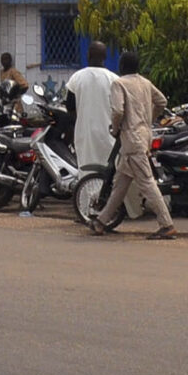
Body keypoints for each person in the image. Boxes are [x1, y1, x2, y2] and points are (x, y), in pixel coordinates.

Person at [90, 50, 175, 240]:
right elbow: (162, 101)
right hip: (144, 136)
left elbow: (118, 110)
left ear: (121, 67)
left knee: (147, 182)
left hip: (131, 139)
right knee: (120, 184)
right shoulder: (145, 83)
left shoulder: (119, 84)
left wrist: (115, 127)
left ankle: (166, 224)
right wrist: (149, 118)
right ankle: (101, 221)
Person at [64, 41, 120, 170]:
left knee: (86, 170)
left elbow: (70, 107)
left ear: (88, 55)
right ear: (105, 57)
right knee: (108, 171)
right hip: (108, 135)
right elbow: (119, 109)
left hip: (85, 134)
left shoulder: (76, 78)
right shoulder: (114, 80)